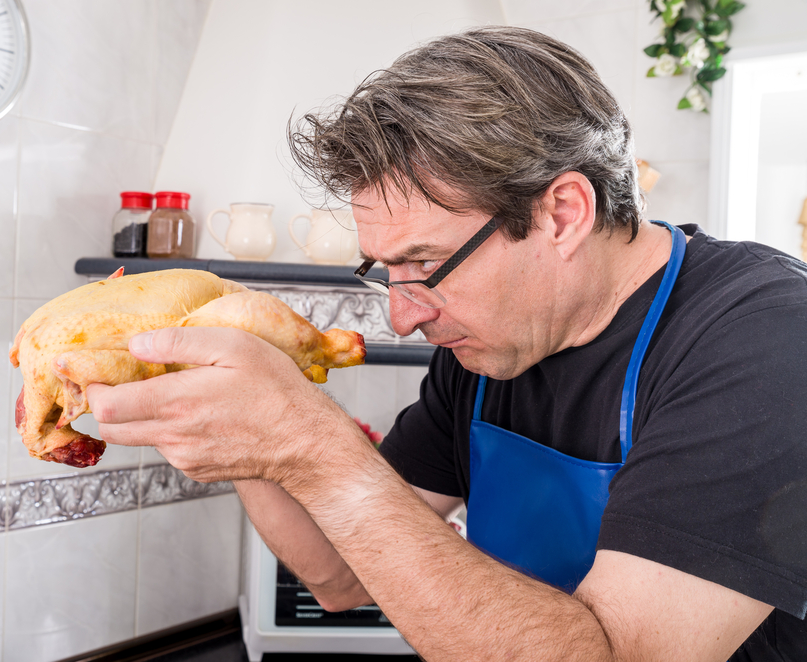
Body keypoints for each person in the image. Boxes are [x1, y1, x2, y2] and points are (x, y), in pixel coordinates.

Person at [87, 27, 807, 661]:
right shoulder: (489, 347)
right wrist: (241, 422)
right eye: (388, 271)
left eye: (425, 265)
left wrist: (314, 445)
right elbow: (339, 574)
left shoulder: (764, 340)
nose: (403, 318)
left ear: (562, 213)